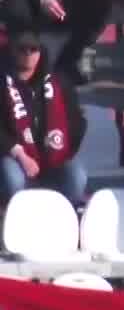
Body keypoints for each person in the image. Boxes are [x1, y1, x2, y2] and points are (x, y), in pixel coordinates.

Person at [0, 31, 84, 207]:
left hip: (52, 159)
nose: (28, 54)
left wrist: (62, 149)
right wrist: (20, 154)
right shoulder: (2, 83)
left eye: (33, 49)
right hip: (15, 158)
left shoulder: (59, 82)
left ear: (40, 52)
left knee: (77, 176)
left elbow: (78, 122)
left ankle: (65, 216)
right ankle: (17, 215)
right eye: (23, 49)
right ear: (13, 51)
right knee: (12, 177)